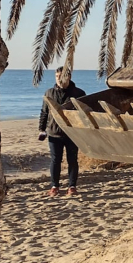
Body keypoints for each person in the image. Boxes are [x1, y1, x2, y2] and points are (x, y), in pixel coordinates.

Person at [38, 67, 86, 197]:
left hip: (72, 133)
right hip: (54, 132)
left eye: (62, 76)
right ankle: (55, 186)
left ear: (69, 77)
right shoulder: (49, 93)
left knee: (72, 160)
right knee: (55, 160)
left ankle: (72, 186)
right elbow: (44, 112)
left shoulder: (79, 93)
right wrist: (41, 129)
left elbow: (84, 115)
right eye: (57, 76)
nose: (59, 78)